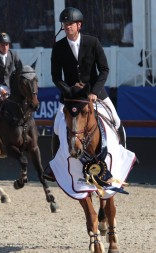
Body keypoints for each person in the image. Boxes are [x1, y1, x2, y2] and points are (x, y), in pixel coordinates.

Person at [51, 7, 125, 155]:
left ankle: (123, 153)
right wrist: (69, 90)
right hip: (71, 95)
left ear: (79, 25)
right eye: (65, 24)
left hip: (94, 91)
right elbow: (56, 76)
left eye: (71, 23)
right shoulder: (58, 47)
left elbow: (104, 69)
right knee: (57, 126)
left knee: (116, 121)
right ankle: (54, 164)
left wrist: (93, 92)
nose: (67, 26)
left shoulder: (93, 43)